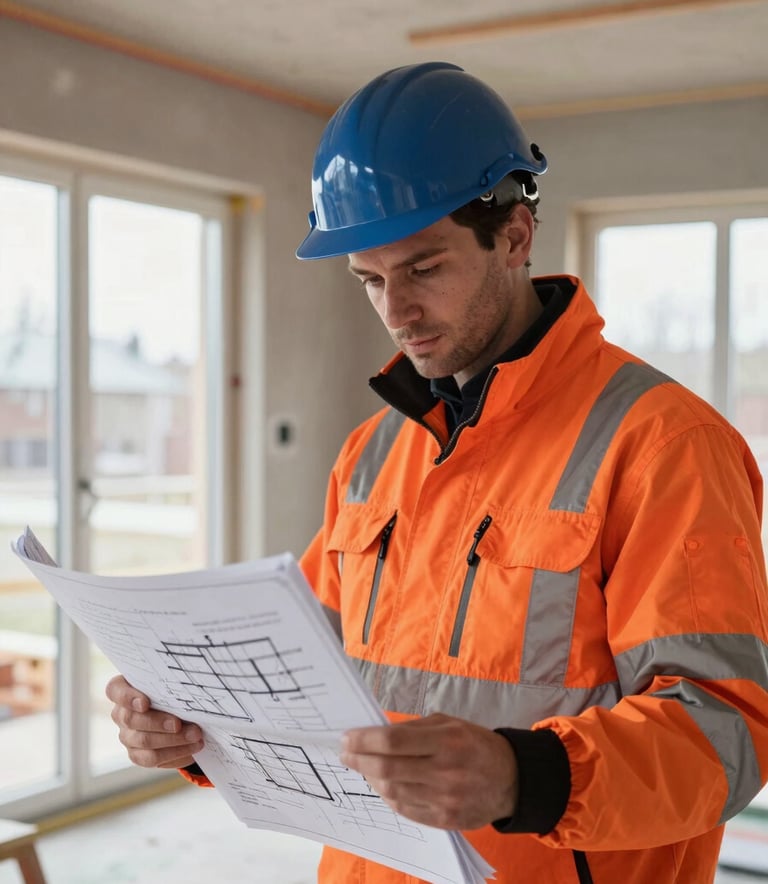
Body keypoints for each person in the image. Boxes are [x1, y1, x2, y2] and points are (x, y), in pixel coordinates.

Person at [107, 62, 768, 884]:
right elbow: (300, 682)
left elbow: (726, 737)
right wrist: (195, 730)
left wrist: (520, 777)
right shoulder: (372, 452)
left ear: (515, 237)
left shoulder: (663, 443)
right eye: (370, 281)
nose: (396, 310)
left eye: (422, 268)